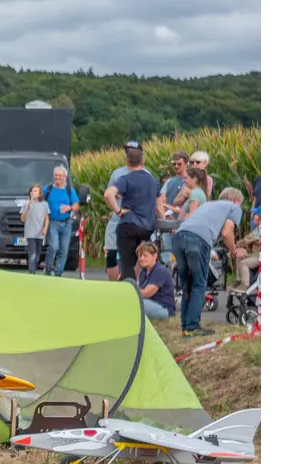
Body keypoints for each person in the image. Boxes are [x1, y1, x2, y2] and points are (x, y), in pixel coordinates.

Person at [172, 189, 245, 336]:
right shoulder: (234, 207)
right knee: (199, 284)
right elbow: (226, 233)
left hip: (179, 237)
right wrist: (234, 251)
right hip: (198, 240)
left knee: (187, 286)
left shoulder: (208, 205)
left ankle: (186, 328)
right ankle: (193, 327)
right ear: (235, 200)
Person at [103, 140, 159, 281]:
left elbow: (108, 194)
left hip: (128, 223)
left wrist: (118, 211)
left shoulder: (125, 178)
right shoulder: (152, 179)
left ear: (127, 160)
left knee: (128, 261)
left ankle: (129, 286)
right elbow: (158, 201)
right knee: (136, 257)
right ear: (142, 160)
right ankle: (131, 284)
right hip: (146, 225)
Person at [42, 166, 80, 277]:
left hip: (66, 223)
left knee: (63, 250)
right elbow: (40, 202)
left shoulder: (69, 191)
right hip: (53, 222)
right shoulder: (47, 189)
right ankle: (48, 268)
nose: (57, 177)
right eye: (56, 175)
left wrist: (69, 208)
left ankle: (58, 273)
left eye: (60, 175)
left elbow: (76, 206)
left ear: (64, 177)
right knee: (53, 246)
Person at [134, 242, 177, 321]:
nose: (141, 258)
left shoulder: (161, 271)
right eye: (139, 256)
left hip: (164, 308)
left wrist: (129, 293)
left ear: (154, 256)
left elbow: (146, 293)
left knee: (135, 305)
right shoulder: (143, 272)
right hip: (149, 304)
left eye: (145, 255)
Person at [19, 184, 50, 274]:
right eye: (32, 191)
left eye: (35, 191)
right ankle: (31, 272)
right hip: (30, 233)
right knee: (32, 254)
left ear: (39, 193)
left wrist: (45, 228)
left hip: (39, 234)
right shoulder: (26, 204)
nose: (33, 193)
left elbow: (46, 218)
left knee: (37, 255)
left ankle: (33, 269)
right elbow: (22, 219)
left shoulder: (44, 204)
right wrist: (28, 208)